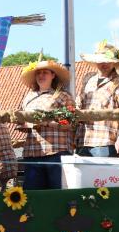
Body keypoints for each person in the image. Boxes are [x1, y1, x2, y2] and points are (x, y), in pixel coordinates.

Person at [19, 59, 76, 190]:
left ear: (53, 75)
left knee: (57, 194)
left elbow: (72, 123)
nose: (41, 75)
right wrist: (24, 123)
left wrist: (46, 122)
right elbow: (25, 121)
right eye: (38, 73)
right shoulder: (28, 97)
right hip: (32, 153)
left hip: (57, 152)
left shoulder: (63, 96)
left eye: (45, 72)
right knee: (32, 196)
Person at [77, 41, 119, 157]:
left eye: (108, 60)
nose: (104, 63)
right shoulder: (89, 81)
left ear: (114, 62)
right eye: (101, 60)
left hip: (107, 142)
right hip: (84, 141)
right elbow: (79, 106)